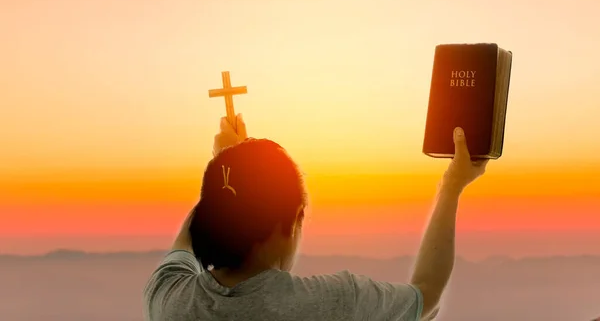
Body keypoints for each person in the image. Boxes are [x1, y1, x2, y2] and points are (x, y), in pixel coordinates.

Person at [143, 114, 488, 321]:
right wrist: (451, 185)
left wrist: (228, 166)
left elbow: (192, 235)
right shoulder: (335, 303)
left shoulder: (169, 299)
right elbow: (426, 294)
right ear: (291, 220)